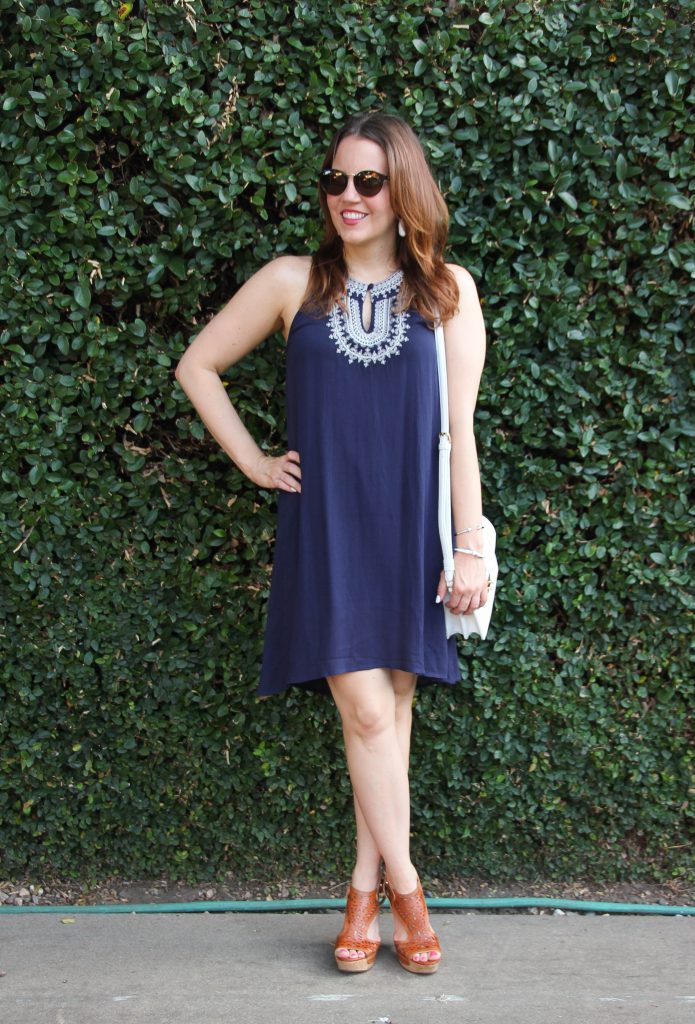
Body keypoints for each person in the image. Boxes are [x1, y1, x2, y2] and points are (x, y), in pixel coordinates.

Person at [174, 111, 488, 974]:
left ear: (403, 190)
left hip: (411, 528)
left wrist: (470, 547)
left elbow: (458, 430)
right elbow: (197, 365)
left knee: (389, 713)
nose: (347, 198)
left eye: (368, 182)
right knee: (366, 709)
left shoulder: (448, 291)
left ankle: (360, 891)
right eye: (336, 181)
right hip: (329, 530)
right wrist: (252, 461)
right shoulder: (290, 282)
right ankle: (412, 893)